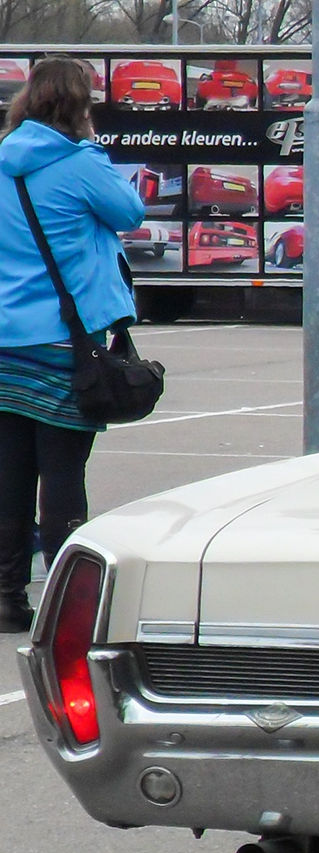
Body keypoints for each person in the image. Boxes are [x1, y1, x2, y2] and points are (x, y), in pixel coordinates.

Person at [0, 57, 145, 633]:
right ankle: (65, 607)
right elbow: (130, 213)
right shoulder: (81, 163)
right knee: (62, 476)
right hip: (63, 343)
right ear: (80, 107)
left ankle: (7, 598)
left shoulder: (3, 162)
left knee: (9, 475)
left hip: (4, 344)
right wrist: (91, 147)